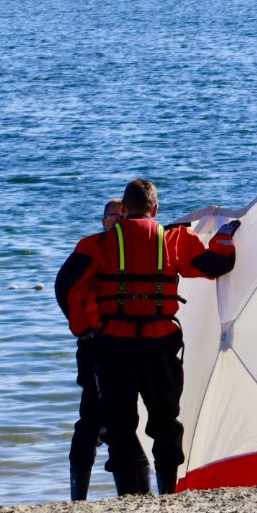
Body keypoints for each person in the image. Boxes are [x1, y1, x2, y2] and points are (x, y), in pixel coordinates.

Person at [58, 179, 238, 495]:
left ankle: (131, 496)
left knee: (120, 424)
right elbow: (216, 265)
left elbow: (66, 285)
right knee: (165, 420)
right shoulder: (174, 238)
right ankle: (167, 491)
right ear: (155, 209)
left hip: (114, 345)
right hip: (160, 344)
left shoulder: (95, 244)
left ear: (124, 209)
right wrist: (223, 237)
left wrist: (84, 329)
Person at [54, 197, 124, 500]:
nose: (118, 222)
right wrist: (82, 328)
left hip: (128, 344)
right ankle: (78, 497)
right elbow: (63, 286)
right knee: (92, 419)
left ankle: (132, 493)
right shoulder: (90, 246)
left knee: (123, 420)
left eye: (123, 217)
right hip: (94, 344)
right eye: (112, 217)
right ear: (103, 221)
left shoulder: (141, 249)